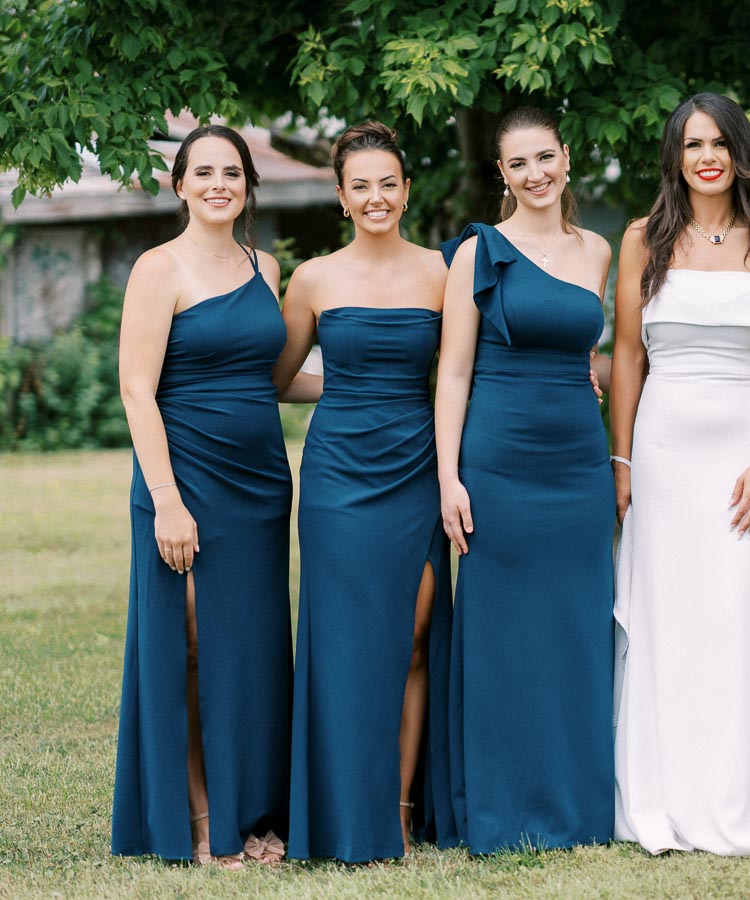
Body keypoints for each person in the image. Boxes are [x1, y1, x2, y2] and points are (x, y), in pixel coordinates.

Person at [609, 91, 750, 856]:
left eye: (719, 143)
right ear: (675, 156)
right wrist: (623, 462)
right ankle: (664, 796)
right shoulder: (644, 239)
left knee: (738, 612)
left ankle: (746, 794)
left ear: (741, 152)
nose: (706, 156)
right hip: (665, 452)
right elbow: (630, 359)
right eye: (691, 143)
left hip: (745, 448)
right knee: (668, 617)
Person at [112, 125, 292, 868]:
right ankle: (202, 819)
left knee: (248, 653)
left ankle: (255, 811)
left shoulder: (268, 267)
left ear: (248, 184)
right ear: (180, 184)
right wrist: (167, 499)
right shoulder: (159, 268)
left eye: (233, 172)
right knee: (189, 646)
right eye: (204, 171)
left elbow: (277, 378)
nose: (220, 183)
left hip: (259, 487)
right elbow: (135, 388)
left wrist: (379, 380)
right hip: (183, 479)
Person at [436, 107, 616, 854]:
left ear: (567, 160)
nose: (536, 174)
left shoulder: (599, 250)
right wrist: (448, 476)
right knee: (502, 634)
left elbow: (587, 348)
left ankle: (577, 808)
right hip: (498, 460)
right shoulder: (477, 254)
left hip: (578, 461)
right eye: (519, 164)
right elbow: (452, 370)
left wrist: (596, 375)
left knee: (577, 630)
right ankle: (501, 810)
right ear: (501, 175)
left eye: (546, 158)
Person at [275, 121, 453, 863]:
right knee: (345, 647)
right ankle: (344, 809)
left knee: (413, 638)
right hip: (338, 478)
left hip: (417, 468)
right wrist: (343, 390)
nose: (376, 197)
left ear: (407, 191)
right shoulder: (314, 277)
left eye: (389, 183)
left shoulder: (443, 272)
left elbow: (461, 376)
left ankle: (402, 807)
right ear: (341, 198)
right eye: (361, 187)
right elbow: (280, 380)